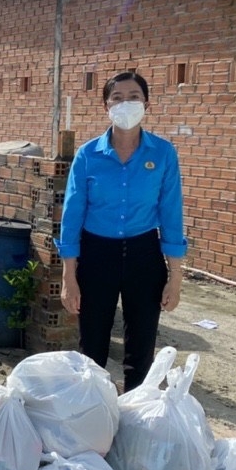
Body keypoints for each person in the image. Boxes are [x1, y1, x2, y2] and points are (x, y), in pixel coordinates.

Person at [56, 71, 187, 391]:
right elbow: (72, 215)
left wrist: (176, 276)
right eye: (117, 98)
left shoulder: (163, 153)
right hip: (96, 254)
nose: (125, 104)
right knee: (93, 348)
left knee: (141, 349)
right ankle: (92, 416)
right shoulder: (88, 155)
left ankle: (134, 420)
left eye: (134, 97)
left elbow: (171, 214)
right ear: (105, 106)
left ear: (147, 104)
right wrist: (68, 276)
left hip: (144, 253)